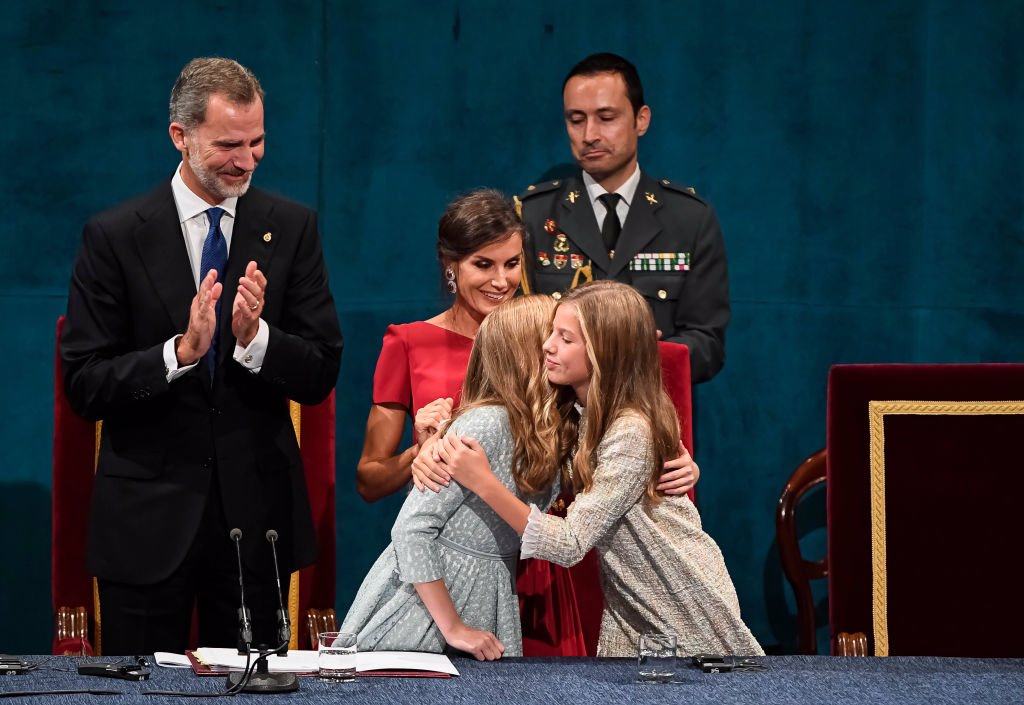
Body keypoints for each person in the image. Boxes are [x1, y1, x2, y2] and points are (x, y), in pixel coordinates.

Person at [60, 57, 343, 655]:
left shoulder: (292, 228)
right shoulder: (113, 237)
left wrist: (253, 340)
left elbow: (321, 369)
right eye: (228, 145)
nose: (246, 160)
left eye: (257, 142)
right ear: (179, 136)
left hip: (255, 521)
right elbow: (84, 384)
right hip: (145, 524)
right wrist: (178, 354)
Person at [430, 281, 762, 657]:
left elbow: (570, 543)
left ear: (605, 352)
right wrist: (432, 440)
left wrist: (483, 483)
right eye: (551, 333)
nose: (548, 345)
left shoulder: (631, 429)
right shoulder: (579, 413)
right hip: (631, 603)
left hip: (678, 599)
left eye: (566, 338)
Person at [342, 296, 564, 659]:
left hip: (490, 591)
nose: (560, 346)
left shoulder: (546, 428)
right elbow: (411, 529)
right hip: (427, 608)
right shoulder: (486, 423)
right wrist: (453, 627)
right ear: (529, 353)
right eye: (553, 336)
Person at [517, 52, 729, 383]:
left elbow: (708, 343)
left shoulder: (689, 219)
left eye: (606, 117)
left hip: (656, 415)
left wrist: (639, 358)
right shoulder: (533, 216)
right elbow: (514, 332)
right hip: (556, 422)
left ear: (641, 120)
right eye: (576, 119)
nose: (589, 134)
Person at [356, 189, 523, 503]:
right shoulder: (408, 343)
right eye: (484, 265)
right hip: (446, 537)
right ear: (450, 265)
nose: (501, 281)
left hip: (532, 536)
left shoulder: (545, 340)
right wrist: (420, 452)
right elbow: (369, 480)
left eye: (511, 264)